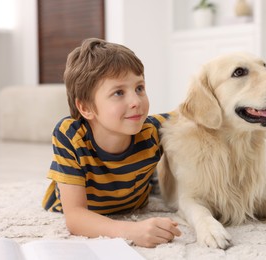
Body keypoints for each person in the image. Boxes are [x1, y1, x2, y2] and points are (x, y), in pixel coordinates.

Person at [42, 38, 181, 248]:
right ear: (86, 108)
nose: (136, 101)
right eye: (118, 93)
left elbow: (192, 113)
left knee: (161, 180)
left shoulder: (152, 130)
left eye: (139, 88)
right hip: (75, 202)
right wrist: (132, 231)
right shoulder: (71, 135)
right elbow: (76, 218)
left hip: (135, 196)